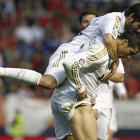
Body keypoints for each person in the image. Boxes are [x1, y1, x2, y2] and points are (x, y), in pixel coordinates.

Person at [1, 3, 140, 101]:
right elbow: (108, 39)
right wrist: (115, 62)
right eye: (139, 26)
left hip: (80, 59)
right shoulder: (115, 19)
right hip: (70, 52)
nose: (138, 30)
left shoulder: (122, 31)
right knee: (48, 82)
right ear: (132, 16)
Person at [51, 30, 140, 140]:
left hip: (65, 97)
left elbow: (117, 77)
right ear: (124, 42)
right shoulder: (100, 52)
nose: (129, 57)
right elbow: (71, 64)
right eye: (131, 52)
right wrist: (80, 88)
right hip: (75, 100)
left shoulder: (99, 49)